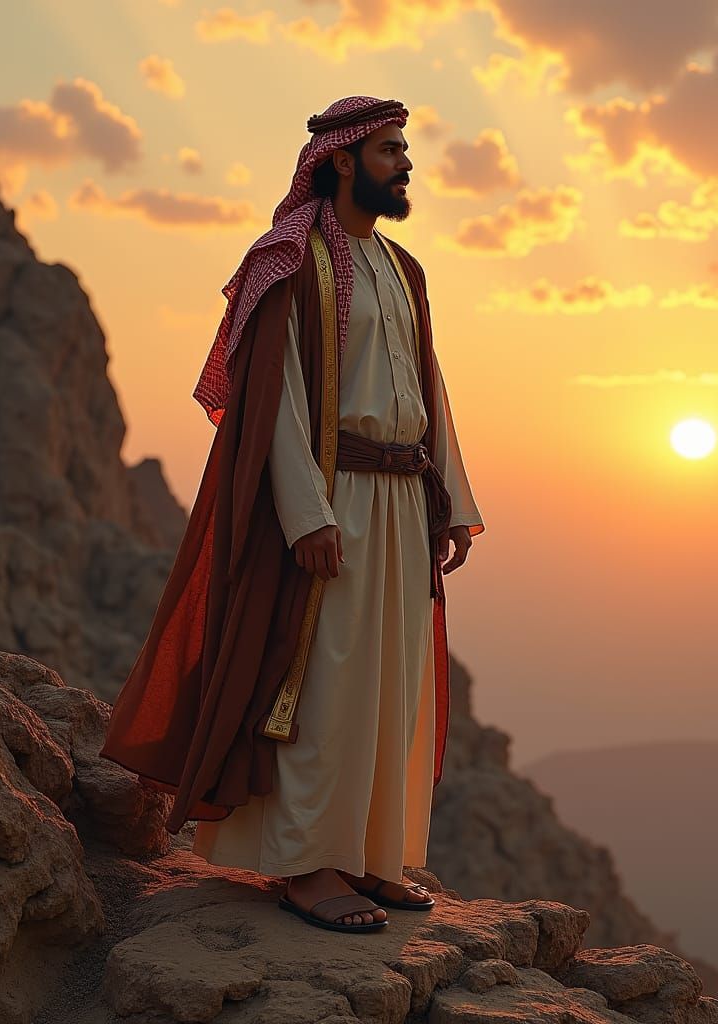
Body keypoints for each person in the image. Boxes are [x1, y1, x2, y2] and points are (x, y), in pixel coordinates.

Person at [99, 96, 484, 934]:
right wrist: (307, 514)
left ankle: (368, 859)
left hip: (402, 498)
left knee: (390, 684)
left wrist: (451, 500)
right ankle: (306, 867)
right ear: (342, 160)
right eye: (389, 150)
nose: (405, 163)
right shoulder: (289, 261)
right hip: (331, 498)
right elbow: (274, 399)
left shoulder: (403, 268)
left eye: (405, 148)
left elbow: (431, 389)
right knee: (328, 685)